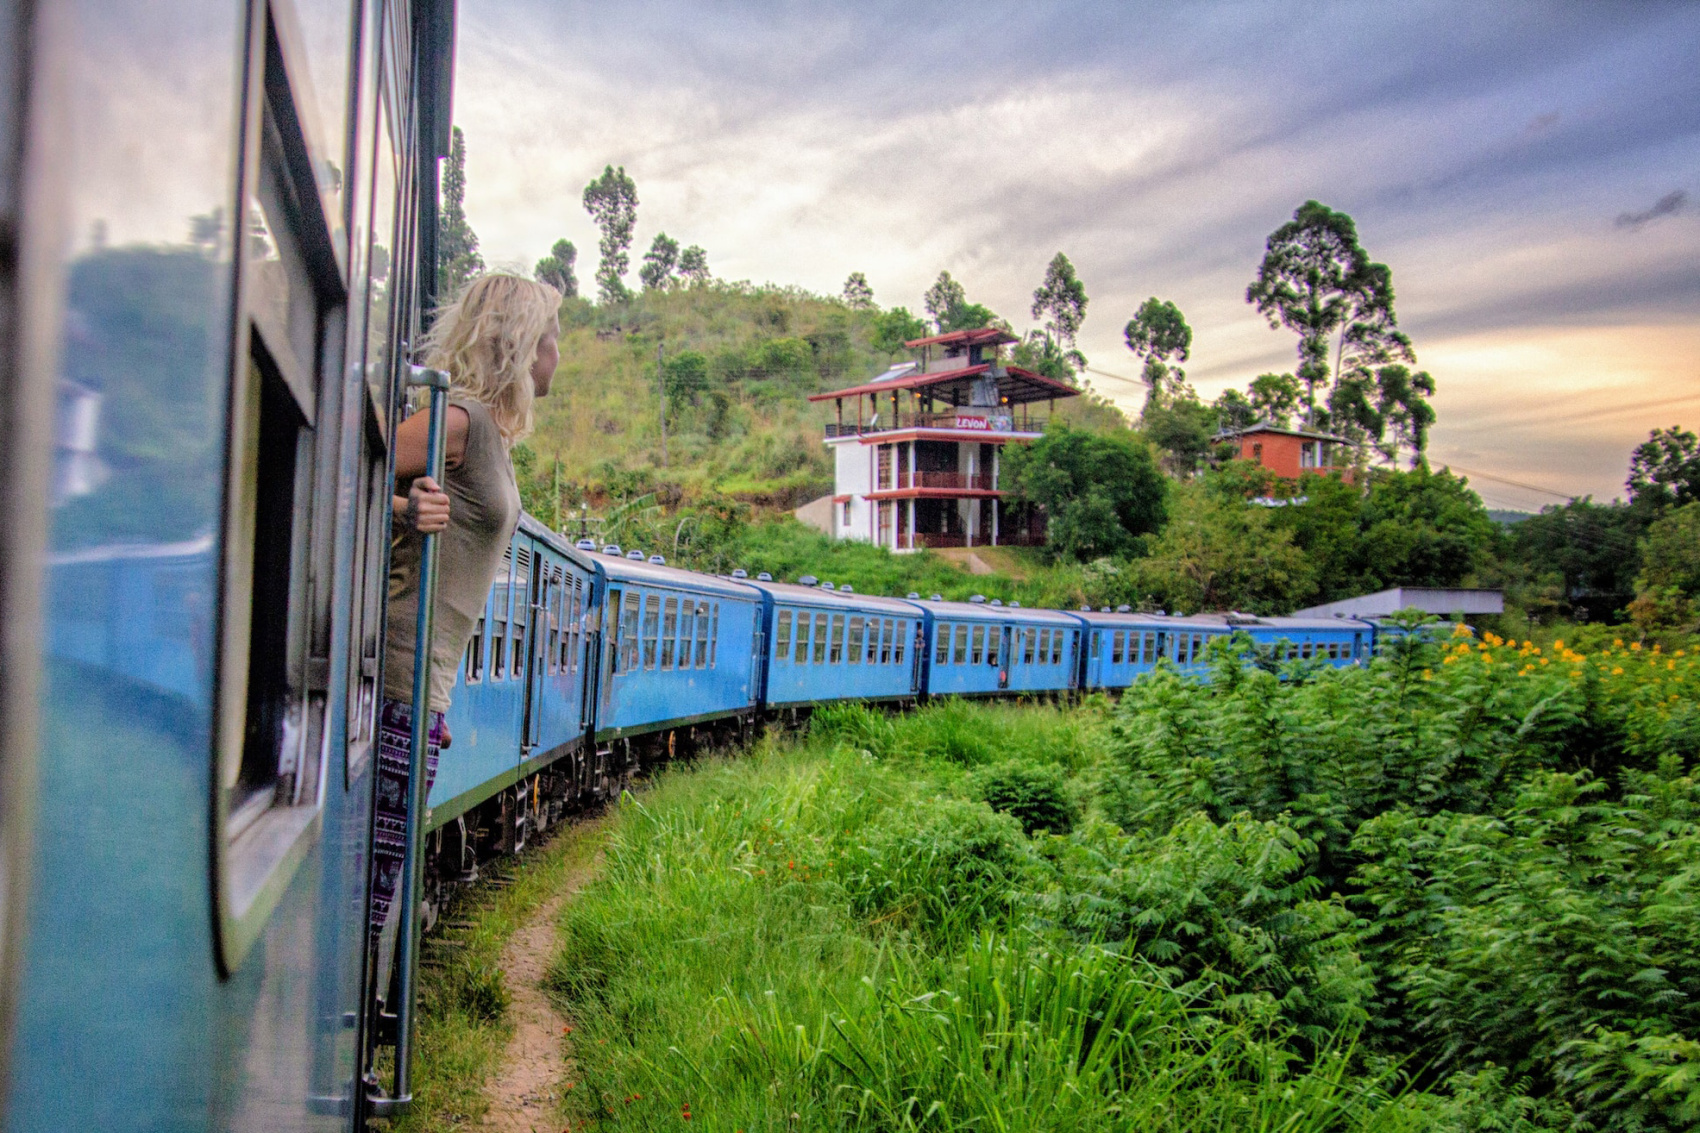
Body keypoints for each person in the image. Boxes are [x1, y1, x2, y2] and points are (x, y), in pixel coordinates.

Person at [368, 274, 561, 948]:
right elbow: (341, 466)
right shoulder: (464, 421)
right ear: (518, 343)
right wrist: (402, 507)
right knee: (370, 892)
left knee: (380, 881)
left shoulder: (493, 439)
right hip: (397, 676)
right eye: (549, 338)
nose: (556, 356)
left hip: (424, 688)